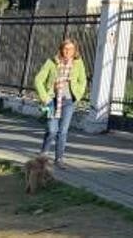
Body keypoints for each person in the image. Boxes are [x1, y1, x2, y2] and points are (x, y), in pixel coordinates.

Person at [33, 38, 87, 168]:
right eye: (65, 48)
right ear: (61, 49)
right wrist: (45, 97)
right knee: (52, 129)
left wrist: (77, 95)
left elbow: (83, 80)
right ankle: (43, 156)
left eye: (71, 49)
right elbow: (38, 80)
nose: (68, 51)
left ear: (75, 51)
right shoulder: (51, 62)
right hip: (52, 100)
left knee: (63, 131)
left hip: (68, 101)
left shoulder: (78, 63)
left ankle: (59, 159)